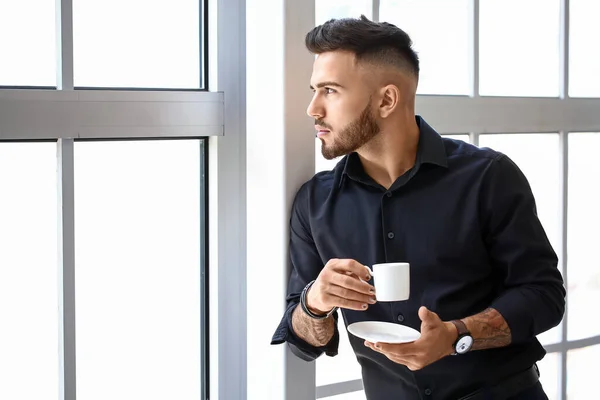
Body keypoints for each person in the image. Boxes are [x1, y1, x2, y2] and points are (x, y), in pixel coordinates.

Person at [270, 15, 566, 400]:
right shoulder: (314, 203)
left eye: (330, 90)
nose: (313, 108)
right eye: (315, 90)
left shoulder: (488, 177)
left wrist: (455, 336)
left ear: (387, 99)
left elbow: (543, 295)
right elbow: (304, 342)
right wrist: (315, 301)